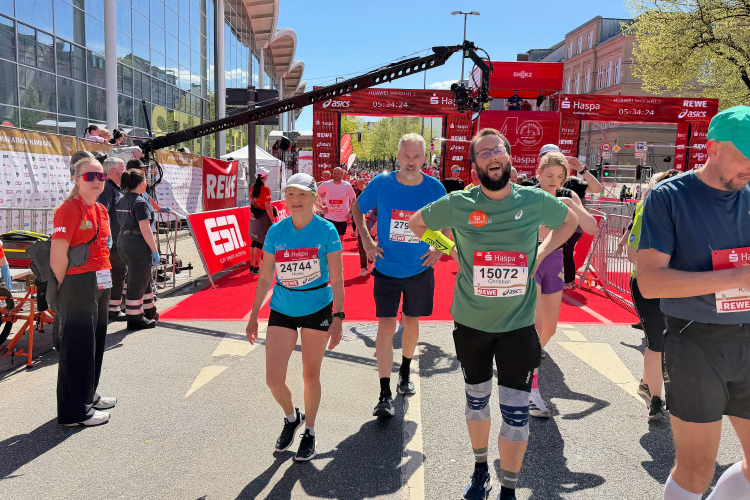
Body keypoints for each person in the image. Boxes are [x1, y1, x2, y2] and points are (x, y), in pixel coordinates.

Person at [409, 128, 579, 500]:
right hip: (472, 324)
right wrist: (450, 249)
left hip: (518, 326)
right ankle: (480, 468)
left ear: (508, 157)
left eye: (497, 150)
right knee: (476, 402)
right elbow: (416, 224)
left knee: (516, 414)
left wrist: (542, 251)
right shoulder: (459, 202)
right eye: (483, 153)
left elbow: (569, 222)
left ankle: (509, 489)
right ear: (475, 165)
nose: (492, 157)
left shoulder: (533, 199)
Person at [637, 105, 750, 500]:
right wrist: (735, 278)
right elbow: (650, 282)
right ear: (713, 148)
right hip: (695, 342)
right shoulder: (669, 196)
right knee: (697, 470)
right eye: (746, 156)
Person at [245, 172, 345, 462]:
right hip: (283, 308)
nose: (295, 200)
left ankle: (309, 431)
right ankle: (292, 417)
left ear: (314, 197)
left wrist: (338, 317)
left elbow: (337, 278)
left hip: (318, 308)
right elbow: (265, 277)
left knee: (310, 375)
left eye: (302, 194)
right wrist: (253, 316)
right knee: (273, 379)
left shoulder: (327, 231)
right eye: (290, 194)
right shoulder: (276, 232)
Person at [351, 133, 447, 417]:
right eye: (406, 156)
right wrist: (367, 240)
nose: (411, 162)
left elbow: (450, 219)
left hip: (419, 269)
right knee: (386, 326)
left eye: (416, 156)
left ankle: (405, 372)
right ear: (398, 156)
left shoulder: (435, 187)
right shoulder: (382, 183)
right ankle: (384, 393)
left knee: (411, 321)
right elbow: (357, 208)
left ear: (424, 158)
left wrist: (439, 248)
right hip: (386, 268)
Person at [529, 151, 598, 419]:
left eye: (559, 177)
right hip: (530, 259)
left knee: (550, 327)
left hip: (554, 260)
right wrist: (556, 220)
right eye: (549, 175)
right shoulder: (528, 195)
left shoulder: (568, 197)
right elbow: (536, 230)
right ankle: (531, 389)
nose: (554, 181)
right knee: (535, 325)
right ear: (538, 173)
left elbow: (591, 227)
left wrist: (571, 205)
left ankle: (522, 362)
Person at [51, 157, 115, 426]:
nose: (97, 181)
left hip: (100, 280)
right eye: (90, 176)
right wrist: (65, 287)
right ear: (76, 180)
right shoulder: (69, 209)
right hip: (77, 283)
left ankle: (88, 395)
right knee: (77, 347)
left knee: (95, 343)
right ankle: (74, 412)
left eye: (101, 176)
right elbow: (57, 256)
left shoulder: (100, 209)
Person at [627, 169, 680, 423]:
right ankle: (656, 400)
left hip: (679, 286)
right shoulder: (646, 210)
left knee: (675, 341)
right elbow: (632, 254)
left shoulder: (689, 213)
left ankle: (648, 384)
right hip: (648, 285)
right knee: (657, 341)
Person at [116, 169, 159, 330]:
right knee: (137, 282)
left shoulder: (122, 200)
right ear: (141, 184)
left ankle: (148, 311)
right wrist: (154, 250)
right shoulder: (140, 202)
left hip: (123, 242)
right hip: (137, 244)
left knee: (141, 278)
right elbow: (145, 229)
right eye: (145, 180)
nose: (147, 183)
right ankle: (135, 319)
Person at [557, 149, 603, 288]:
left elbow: (598, 188)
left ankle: (568, 281)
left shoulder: (572, 183)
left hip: (572, 226)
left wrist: (581, 170)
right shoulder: (538, 183)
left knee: (566, 251)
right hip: (551, 227)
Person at [96, 157, 128, 321]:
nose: (126, 172)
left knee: (118, 273)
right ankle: (109, 309)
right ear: (113, 171)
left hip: (118, 242)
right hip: (111, 243)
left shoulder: (117, 188)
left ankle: (111, 308)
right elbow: (102, 213)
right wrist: (107, 239)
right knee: (112, 275)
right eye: (123, 169)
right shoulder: (107, 189)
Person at [248, 167, 273, 275]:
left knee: (254, 241)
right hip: (263, 217)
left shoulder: (253, 187)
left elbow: (250, 203)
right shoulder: (265, 189)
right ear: (265, 177)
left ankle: (252, 266)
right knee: (260, 242)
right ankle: (256, 267)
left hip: (254, 216)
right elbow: (268, 207)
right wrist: (272, 220)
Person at [318, 167, 356, 236]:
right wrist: (321, 206)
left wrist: (350, 212)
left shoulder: (347, 186)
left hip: (342, 217)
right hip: (329, 216)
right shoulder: (327, 184)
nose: (336, 175)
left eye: (338, 173)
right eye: (334, 173)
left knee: (340, 239)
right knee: (329, 238)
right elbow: (315, 194)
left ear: (342, 175)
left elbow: (353, 199)